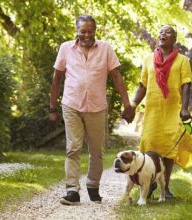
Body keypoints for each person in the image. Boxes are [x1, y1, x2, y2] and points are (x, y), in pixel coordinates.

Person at [49, 15, 135, 205]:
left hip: (96, 107)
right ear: (77, 31)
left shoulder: (106, 49)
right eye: (83, 31)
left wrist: (127, 104)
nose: (87, 35)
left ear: (95, 31)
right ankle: (72, 190)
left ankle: (93, 185)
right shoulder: (66, 48)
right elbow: (57, 78)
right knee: (73, 148)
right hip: (71, 104)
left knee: (96, 150)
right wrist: (52, 108)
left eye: (90, 31)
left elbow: (116, 77)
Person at [130, 24, 192, 199]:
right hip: (152, 111)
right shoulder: (148, 59)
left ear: (174, 39)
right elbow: (142, 86)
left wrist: (184, 108)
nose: (163, 34)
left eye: (167, 32)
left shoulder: (183, 60)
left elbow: (186, 85)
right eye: (161, 32)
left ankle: (165, 188)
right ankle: (149, 182)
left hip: (172, 111)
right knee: (150, 147)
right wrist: (132, 105)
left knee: (169, 149)